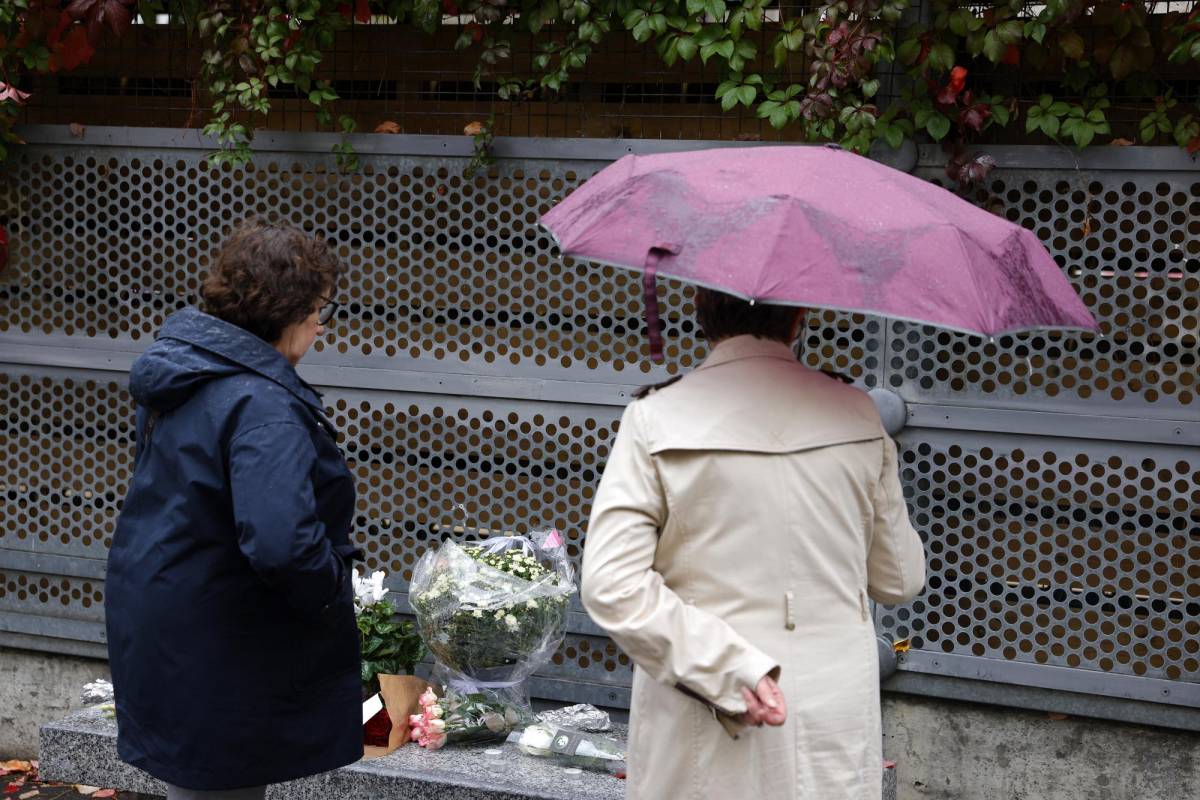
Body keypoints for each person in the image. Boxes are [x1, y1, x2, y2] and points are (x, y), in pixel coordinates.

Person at [581, 288, 926, 800]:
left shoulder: (657, 417)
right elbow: (900, 580)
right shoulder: (857, 414)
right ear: (800, 317)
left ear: (702, 314)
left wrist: (730, 670)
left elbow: (612, 585)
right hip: (833, 720)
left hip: (710, 712)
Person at [105, 220, 362, 800]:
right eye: (320, 308)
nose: (322, 324)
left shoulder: (190, 374)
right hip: (224, 637)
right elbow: (281, 543)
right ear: (286, 309)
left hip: (170, 618)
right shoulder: (262, 405)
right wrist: (331, 588)